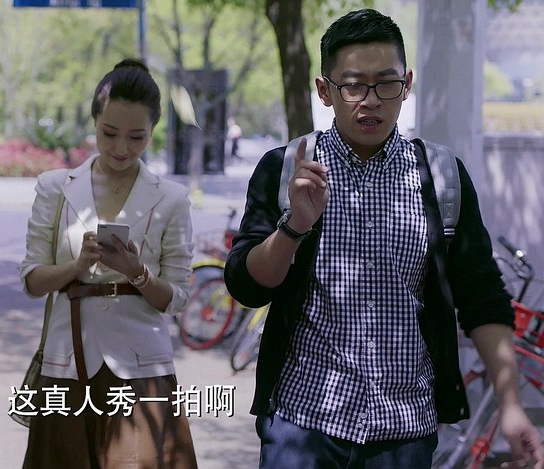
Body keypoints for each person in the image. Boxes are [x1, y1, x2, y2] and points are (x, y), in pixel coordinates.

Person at [224, 9, 543, 469]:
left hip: (404, 428)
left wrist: (510, 404)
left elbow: (482, 296)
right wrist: (294, 227)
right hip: (303, 423)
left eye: (386, 83)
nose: (370, 101)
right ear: (325, 91)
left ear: (406, 84)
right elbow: (247, 286)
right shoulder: (287, 168)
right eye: (353, 85)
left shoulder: (442, 177)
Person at [19, 58, 198, 468]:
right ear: (95, 122)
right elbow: (31, 279)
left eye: (136, 137)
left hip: (141, 366)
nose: (121, 148)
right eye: (109, 133)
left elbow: (177, 298)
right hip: (67, 360)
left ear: (153, 130)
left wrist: (137, 272)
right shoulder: (55, 187)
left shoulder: (171, 198)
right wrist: (76, 266)